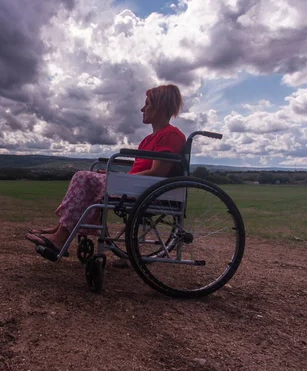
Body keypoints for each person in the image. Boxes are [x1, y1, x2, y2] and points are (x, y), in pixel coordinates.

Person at [26, 84, 187, 259]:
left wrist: (119, 180)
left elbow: (157, 173)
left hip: (148, 190)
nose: (142, 109)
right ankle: (62, 228)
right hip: (137, 185)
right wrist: (117, 178)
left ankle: (60, 237)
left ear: (160, 106)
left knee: (82, 177)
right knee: (88, 178)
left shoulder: (171, 135)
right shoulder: (149, 139)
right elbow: (142, 171)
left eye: (147, 104)